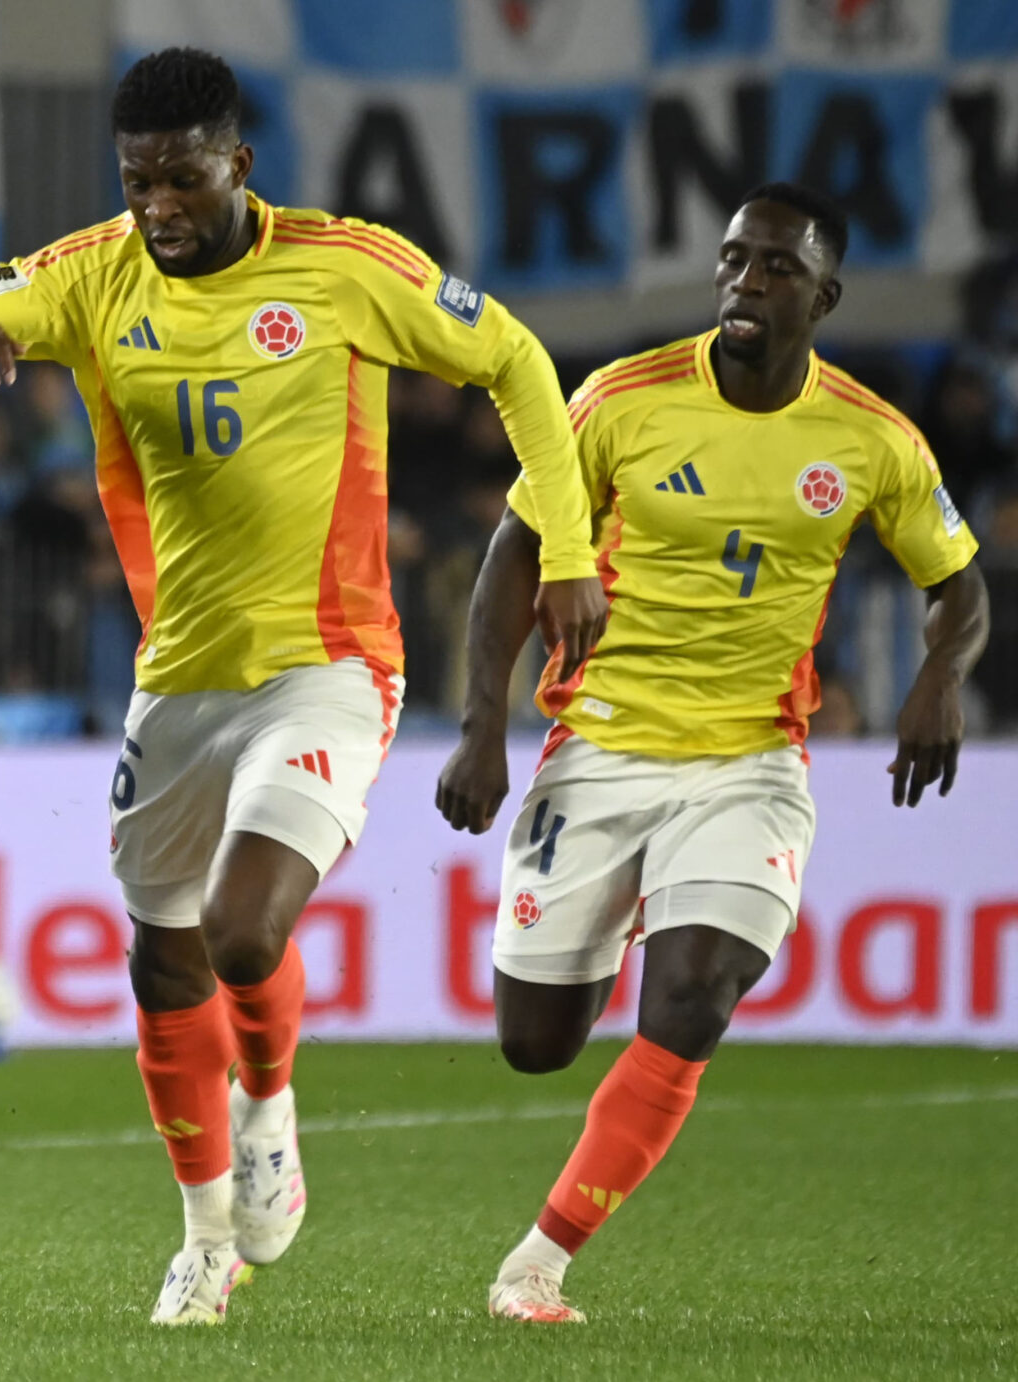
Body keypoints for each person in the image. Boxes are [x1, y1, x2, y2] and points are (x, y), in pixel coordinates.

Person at [0, 47, 607, 1325]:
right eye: (137, 182)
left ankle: (267, 1102)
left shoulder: (344, 267)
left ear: (238, 164)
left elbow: (515, 361)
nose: (158, 206)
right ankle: (205, 1239)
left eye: (182, 178)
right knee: (161, 963)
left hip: (327, 665)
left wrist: (563, 550)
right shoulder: (90, 274)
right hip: (177, 677)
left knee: (240, 928)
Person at [435, 183, 990, 1324]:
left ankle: (536, 1264)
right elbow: (514, 550)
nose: (745, 282)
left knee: (693, 993)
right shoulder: (619, 400)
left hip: (750, 761)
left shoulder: (871, 438)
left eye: (777, 268)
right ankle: (627, 912)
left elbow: (959, 583)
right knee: (534, 1043)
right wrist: (482, 724)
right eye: (734, 260)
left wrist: (939, 675)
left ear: (823, 297)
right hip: (598, 746)